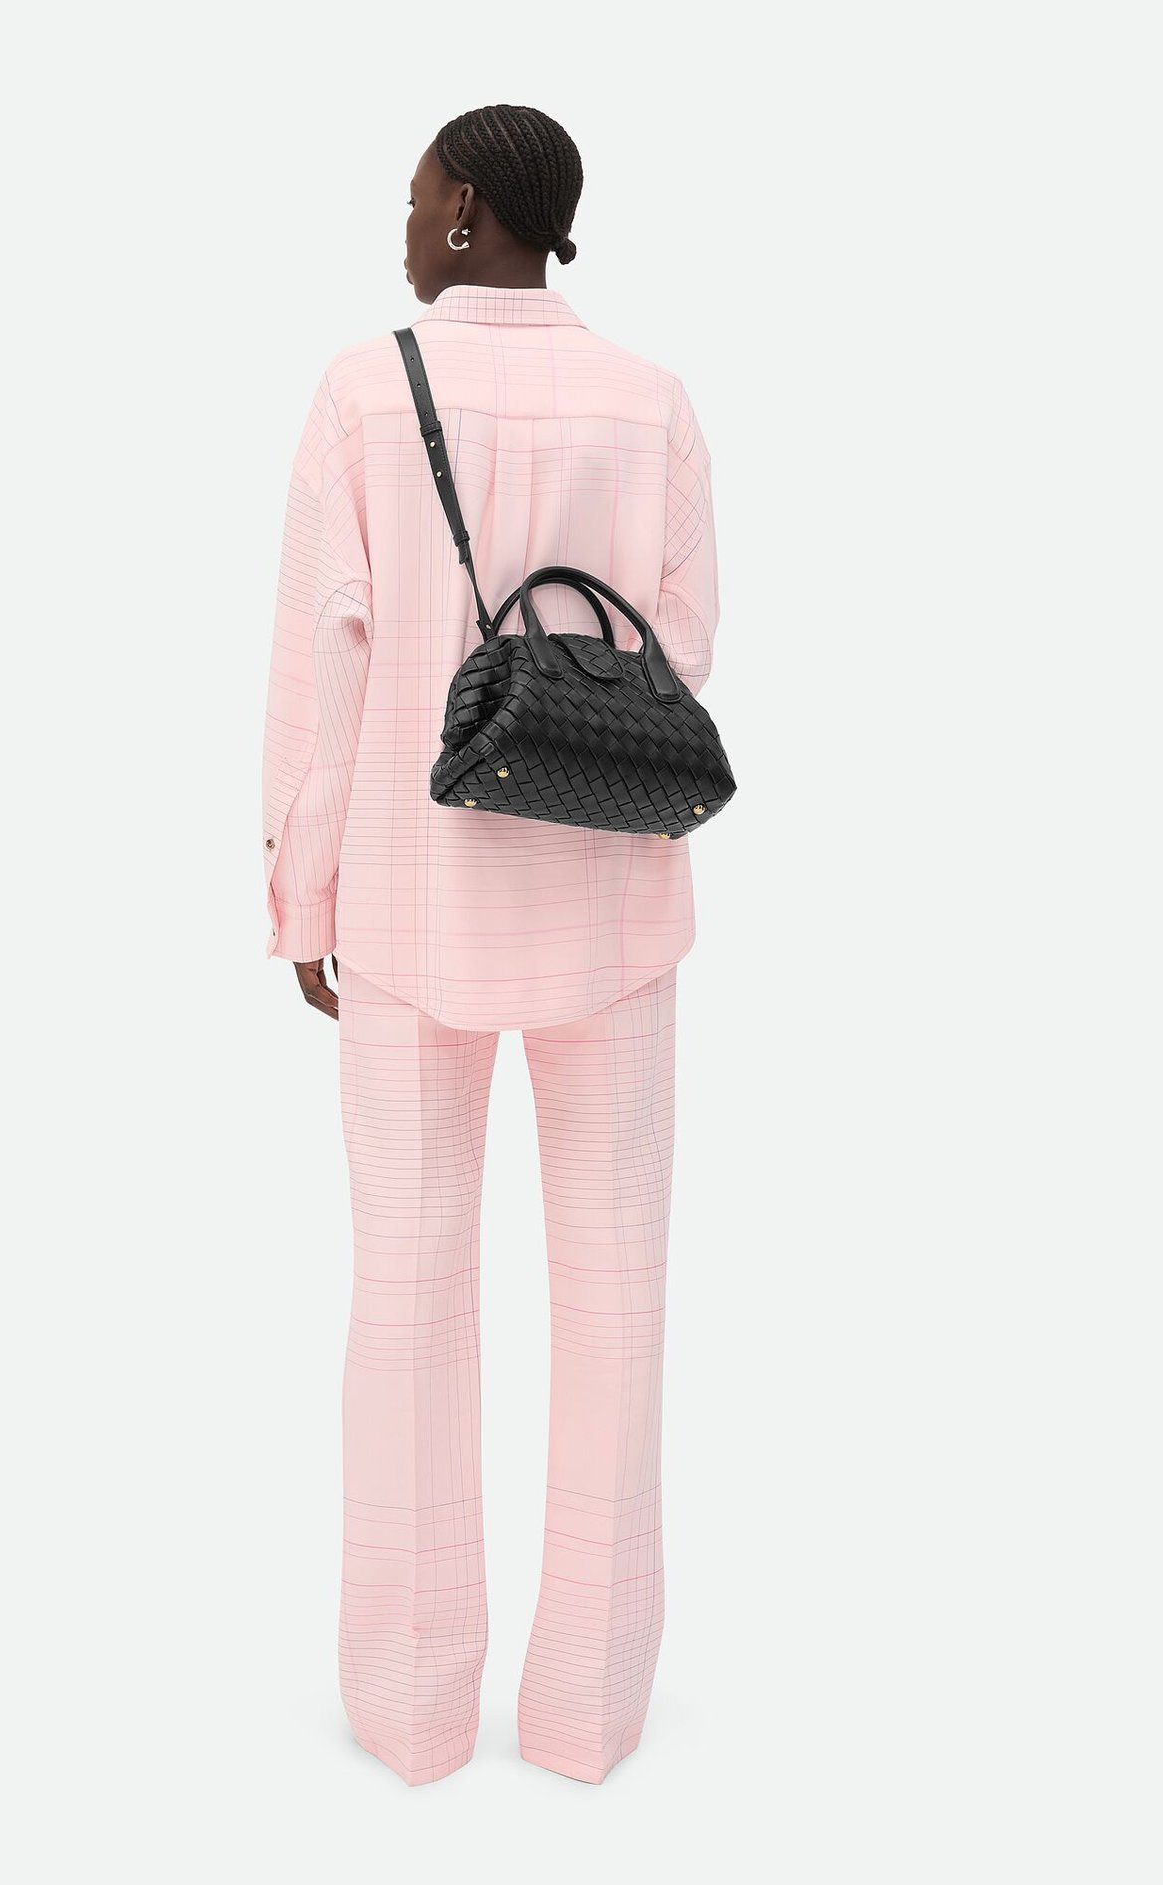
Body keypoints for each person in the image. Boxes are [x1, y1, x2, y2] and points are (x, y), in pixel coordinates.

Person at [259, 103, 719, 1787]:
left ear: (466, 210)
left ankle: (411, 1710)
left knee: (406, 1293)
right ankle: (590, 1712)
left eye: (414, 199)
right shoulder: (653, 402)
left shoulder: (363, 392)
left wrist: (300, 888)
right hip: (613, 904)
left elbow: (326, 662)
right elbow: (682, 650)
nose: (402, 227)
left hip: (409, 902)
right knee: (618, 1296)